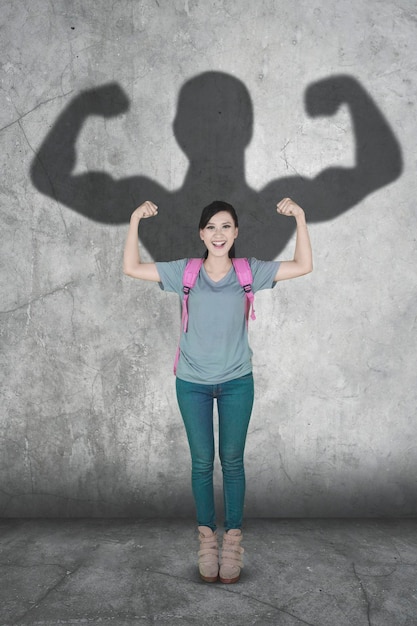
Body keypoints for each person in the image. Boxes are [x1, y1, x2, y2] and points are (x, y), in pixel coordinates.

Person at [123, 197, 313, 584]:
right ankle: (207, 540)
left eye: (226, 226)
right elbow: (130, 267)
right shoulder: (185, 273)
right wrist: (133, 221)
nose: (218, 234)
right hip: (191, 383)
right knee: (201, 462)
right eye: (211, 227)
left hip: (236, 382)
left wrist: (300, 219)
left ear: (236, 232)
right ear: (201, 234)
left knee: (232, 460)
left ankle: (233, 543)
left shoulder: (249, 272)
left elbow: (304, 265)